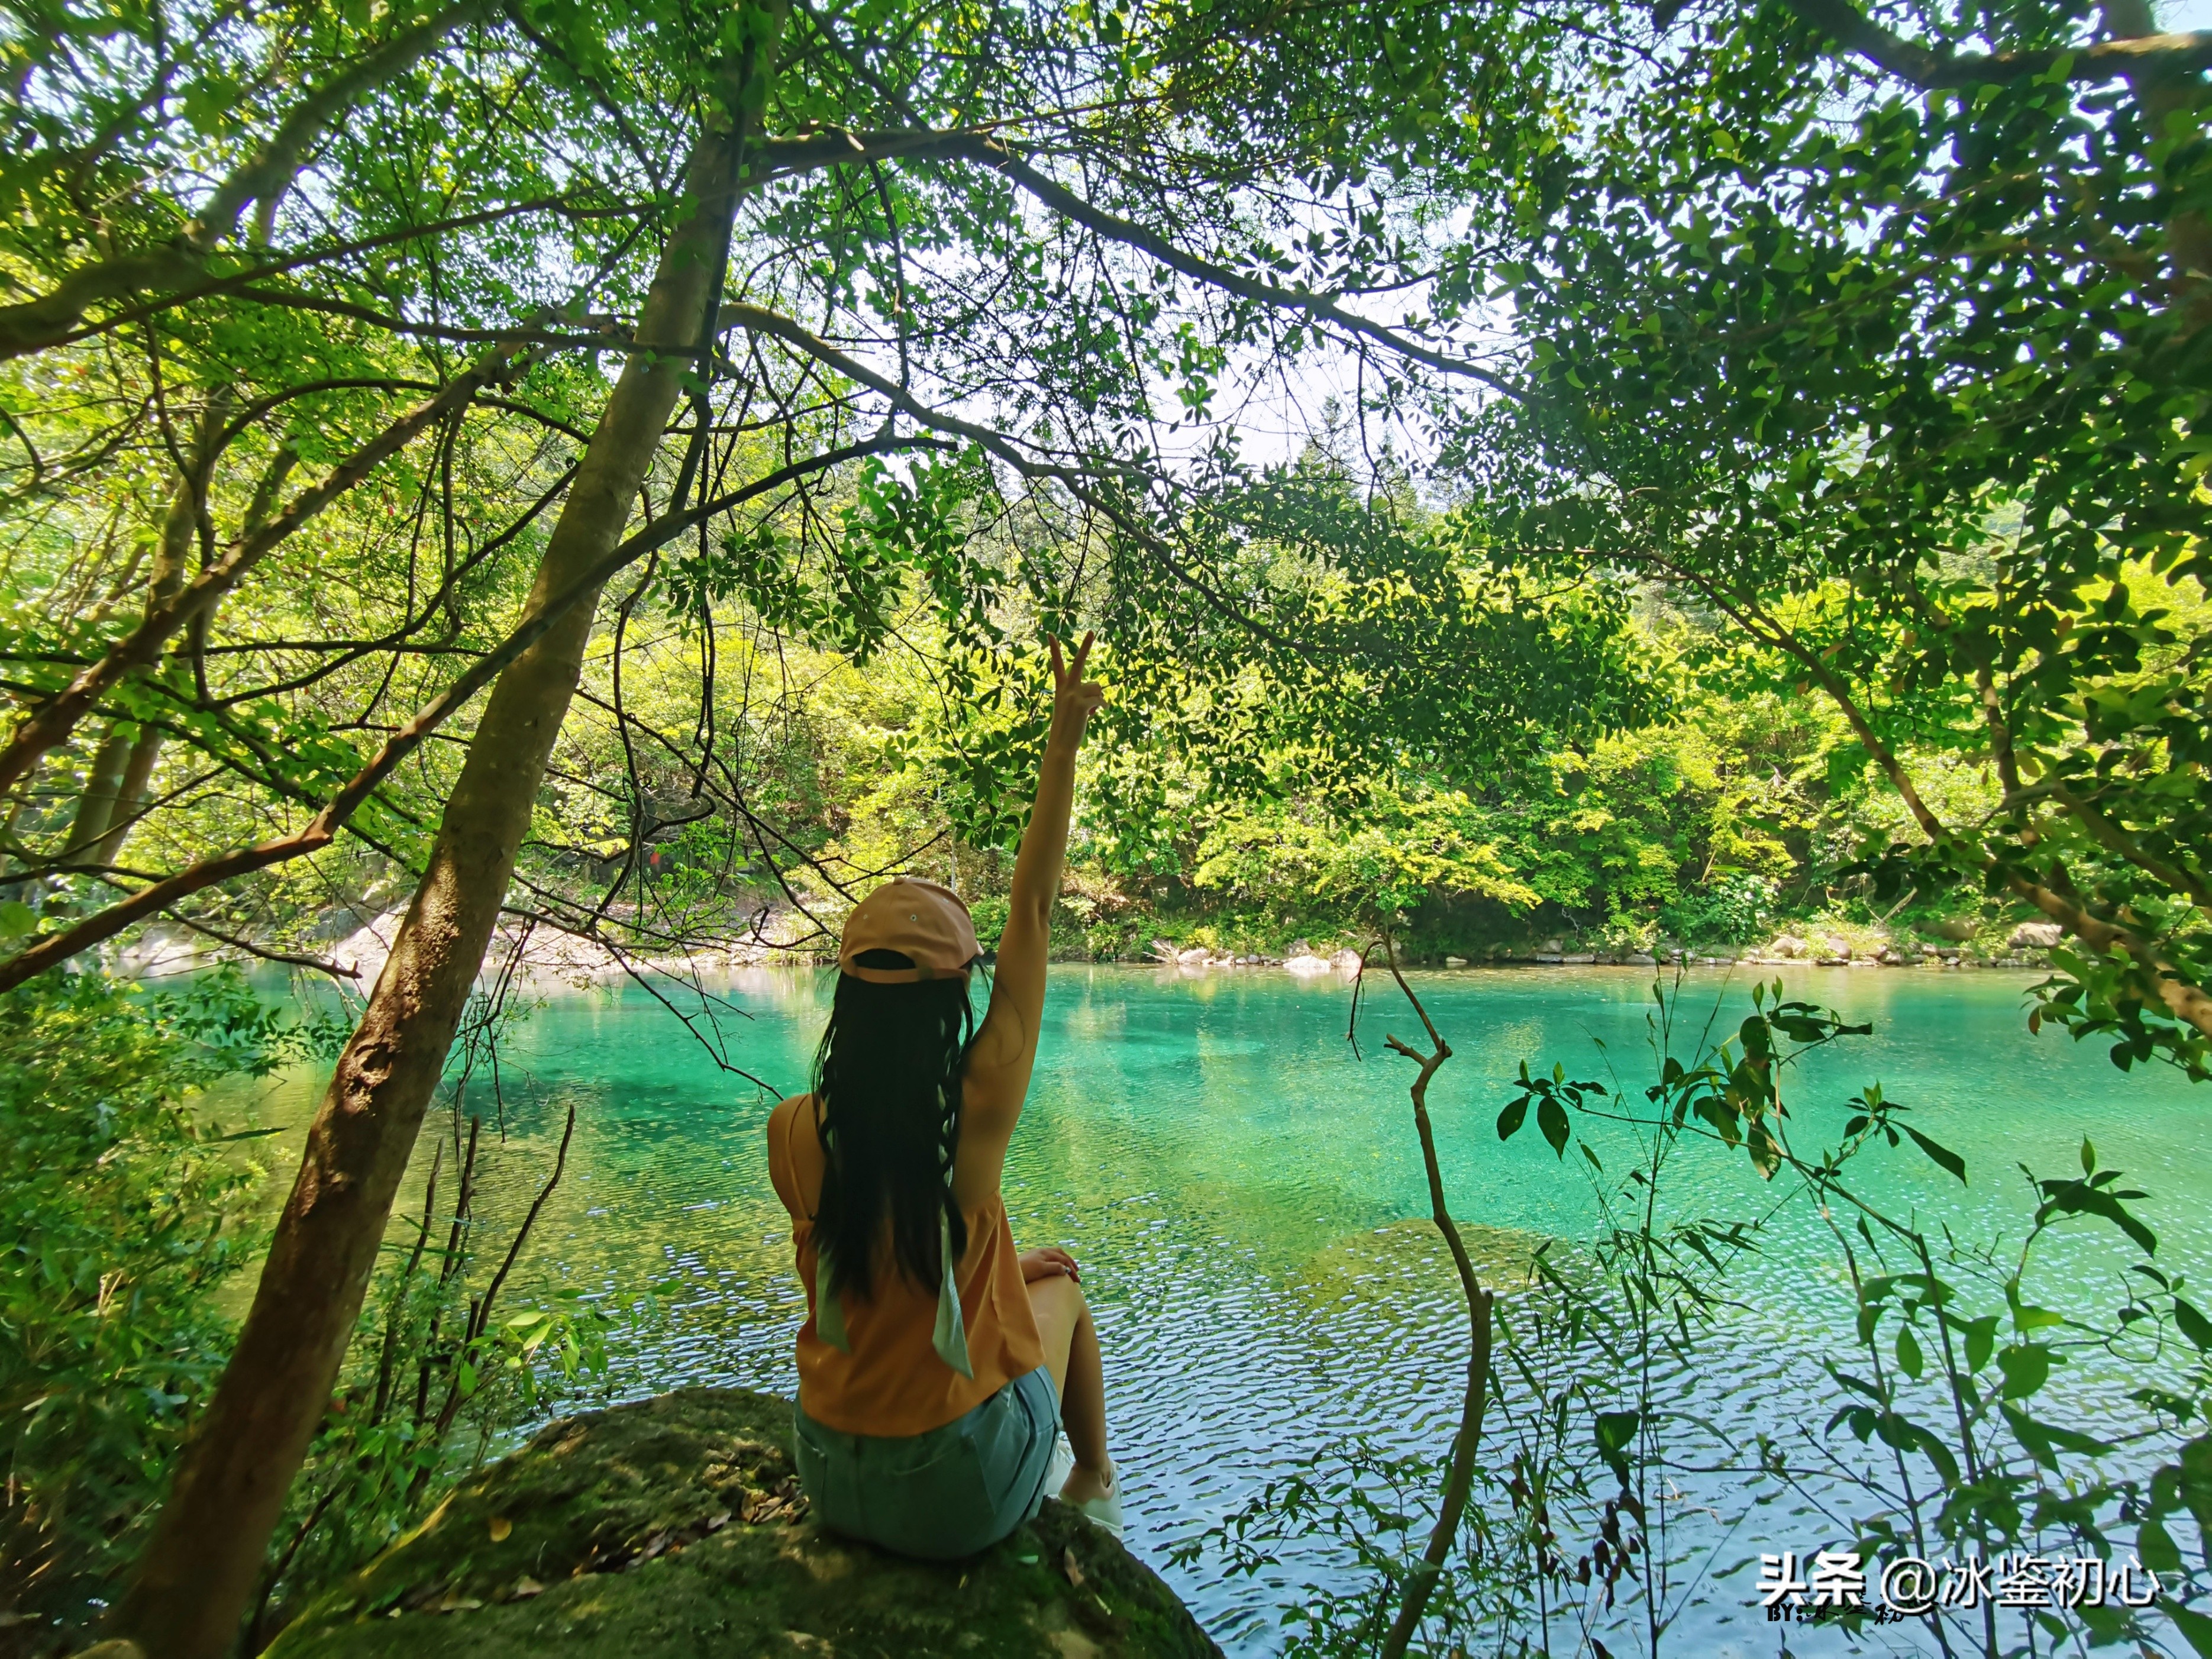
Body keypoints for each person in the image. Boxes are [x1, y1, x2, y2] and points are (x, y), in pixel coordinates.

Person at [766, 632, 1117, 1560]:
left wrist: (1005, 1266)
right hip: (951, 1492)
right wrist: (1063, 738)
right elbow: (1033, 908)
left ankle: (1077, 1474)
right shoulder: (977, 1108)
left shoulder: (792, 1133)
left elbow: (881, 1262)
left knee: (1033, 1265)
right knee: (1069, 1287)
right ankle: (1093, 1484)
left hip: (829, 1473)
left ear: (845, 992)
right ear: (958, 991)